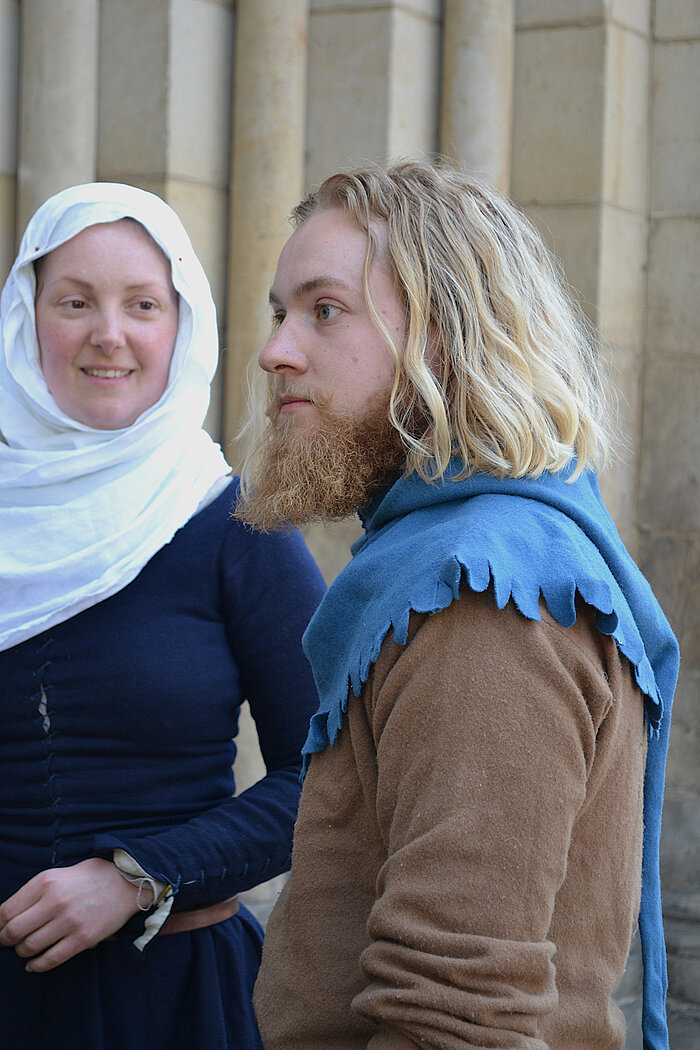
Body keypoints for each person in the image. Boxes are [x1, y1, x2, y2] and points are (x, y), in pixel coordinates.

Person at [235, 162, 680, 1050]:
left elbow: (457, 1014)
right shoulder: (454, 563)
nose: (276, 351)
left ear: (445, 336)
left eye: (325, 311)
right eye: (280, 314)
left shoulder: (484, 601)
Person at [0, 182, 326, 1050]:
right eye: (75, 302)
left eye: (142, 304)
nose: (109, 334)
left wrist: (139, 878)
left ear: (182, 328)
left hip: (171, 999)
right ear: (27, 320)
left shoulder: (237, 528)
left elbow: (332, 775)